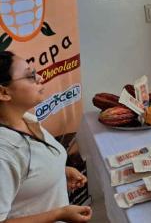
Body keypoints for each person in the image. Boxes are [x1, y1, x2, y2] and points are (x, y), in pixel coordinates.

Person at [0, 51, 92, 222]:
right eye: (30, 75)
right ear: (4, 93)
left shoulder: (26, 119)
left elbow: (26, 173)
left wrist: (59, 171)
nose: (40, 78)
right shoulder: (4, 153)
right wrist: (59, 214)